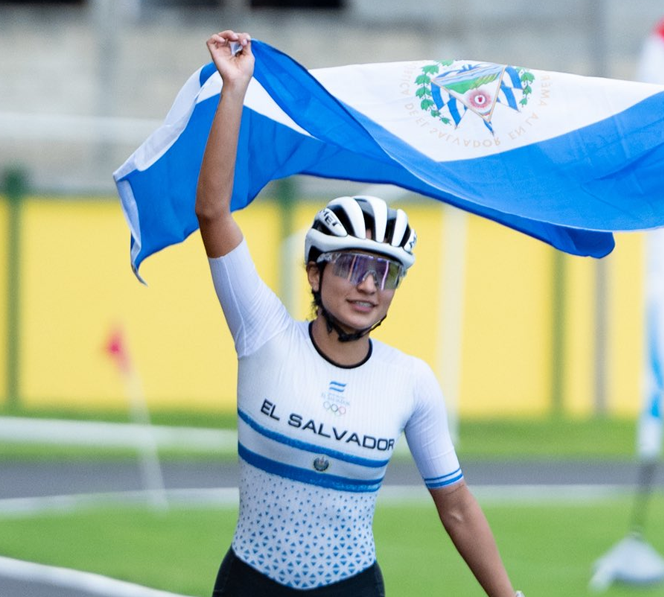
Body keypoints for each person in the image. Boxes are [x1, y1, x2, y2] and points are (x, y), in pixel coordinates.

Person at [196, 32, 524, 597]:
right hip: (251, 582)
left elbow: (457, 507)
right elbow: (212, 212)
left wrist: (509, 596)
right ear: (315, 273)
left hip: (351, 586)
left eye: (386, 273)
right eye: (352, 266)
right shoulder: (263, 333)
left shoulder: (411, 380)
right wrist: (235, 90)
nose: (370, 286)